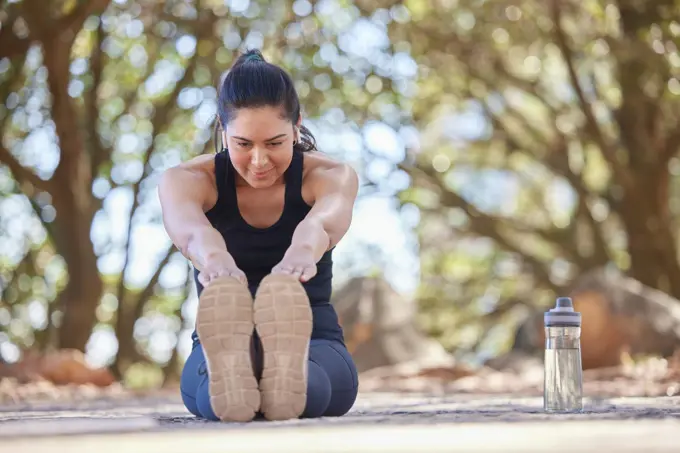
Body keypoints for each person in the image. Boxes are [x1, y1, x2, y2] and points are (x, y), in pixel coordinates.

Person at [158, 49, 359, 422]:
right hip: (219, 346)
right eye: (243, 144)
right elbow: (192, 231)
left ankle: (276, 371)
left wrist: (301, 252)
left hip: (313, 337)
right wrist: (216, 260)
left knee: (300, 389)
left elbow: (322, 223)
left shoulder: (330, 175)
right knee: (224, 396)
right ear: (223, 128)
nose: (259, 161)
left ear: (298, 124)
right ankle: (242, 365)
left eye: (275, 143)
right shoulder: (187, 180)